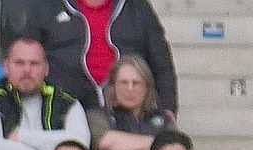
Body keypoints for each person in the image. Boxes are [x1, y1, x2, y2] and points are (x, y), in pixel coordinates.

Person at [32, 0, 176, 117]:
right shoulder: (47, 6)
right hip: (65, 112)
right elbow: (28, 57)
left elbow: (162, 65)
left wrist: (167, 109)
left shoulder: (136, 7)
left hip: (129, 114)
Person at [90, 55, 173, 150]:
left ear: (147, 87)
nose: (129, 88)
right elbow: (107, 143)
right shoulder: (98, 115)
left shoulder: (163, 119)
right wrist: (159, 143)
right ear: (113, 86)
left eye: (136, 83)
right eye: (123, 83)